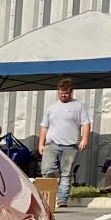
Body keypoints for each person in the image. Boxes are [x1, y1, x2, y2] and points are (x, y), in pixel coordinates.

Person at [36, 78, 92, 206]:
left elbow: (86, 123)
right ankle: (49, 196)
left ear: (71, 92)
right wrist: (41, 143)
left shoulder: (79, 106)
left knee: (66, 173)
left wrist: (84, 139)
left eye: (65, 93)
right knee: (47, 170)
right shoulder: (51, 108)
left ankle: (62, 199)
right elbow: (44, 126)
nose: (63, 95)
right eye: (60, 93)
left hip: (70, 145)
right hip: (52, 144)